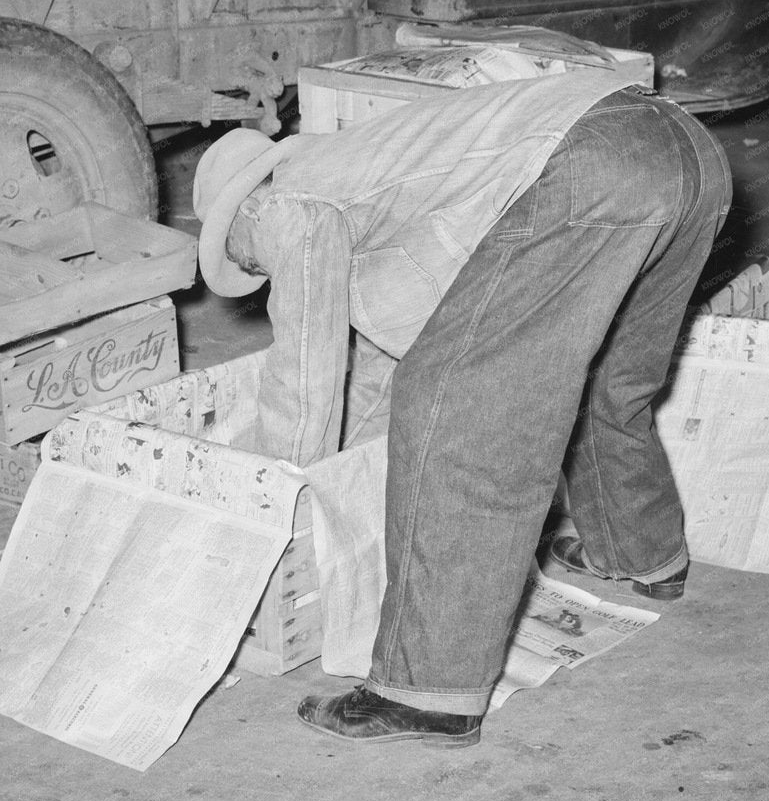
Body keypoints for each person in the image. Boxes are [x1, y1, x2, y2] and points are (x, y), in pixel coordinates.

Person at [194, 70, 731, 747]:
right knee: (604, 376)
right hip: (687, 151)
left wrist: (276, 497)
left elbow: (306, 371)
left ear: (244, 208)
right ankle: (643, 553)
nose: (251, 264)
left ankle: (427, 689)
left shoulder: (288, 205)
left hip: (594, 163)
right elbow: (384, 366)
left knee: (456, 404)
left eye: (238, 252)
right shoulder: (364, 177)